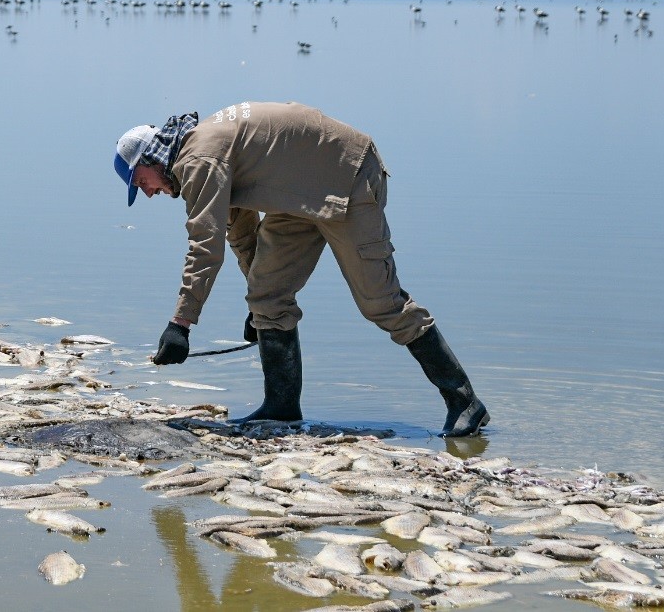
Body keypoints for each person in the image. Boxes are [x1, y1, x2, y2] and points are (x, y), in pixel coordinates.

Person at [114, 100, 489, 437]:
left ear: (150, 159)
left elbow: (205, 249)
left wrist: (181, 324)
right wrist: (260, 312)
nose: (147, 193)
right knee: (268, 294)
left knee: (381, 303)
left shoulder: (199, 161)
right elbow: (241, 235)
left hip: (349, 177)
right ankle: (281, 410)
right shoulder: (202, 155)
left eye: (139, 183)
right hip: (299, 198)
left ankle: (464, 401)